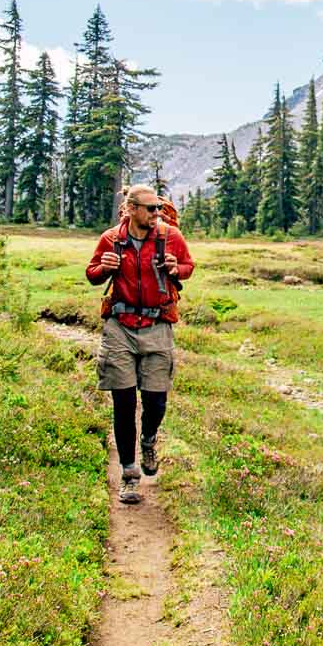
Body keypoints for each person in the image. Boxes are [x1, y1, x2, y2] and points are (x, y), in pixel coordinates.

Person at [85, 184, 194, 505]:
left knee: (156, 400)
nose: (156, 214)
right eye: (150, 209)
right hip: (119, 326)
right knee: (123, 403)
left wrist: (177, 269)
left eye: (159, 208)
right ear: (131, 209)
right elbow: (92, 275)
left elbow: (188, 268)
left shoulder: (170, 237)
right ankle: (129, 474)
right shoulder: (111, 239)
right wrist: (104, 268)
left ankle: (148, 438)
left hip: (158, 323)